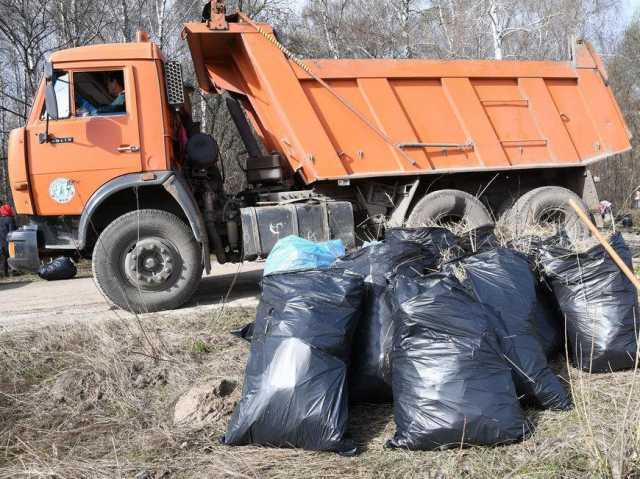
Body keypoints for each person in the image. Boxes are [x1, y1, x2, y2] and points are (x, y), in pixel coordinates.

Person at [0, 203, 16, 277]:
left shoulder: (0, 219)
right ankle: (13, 271)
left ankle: (5, 273)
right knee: (12, 255)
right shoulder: (10, 219)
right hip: (9, 241)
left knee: (4, 257)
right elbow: (11, 231)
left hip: (1, 241)